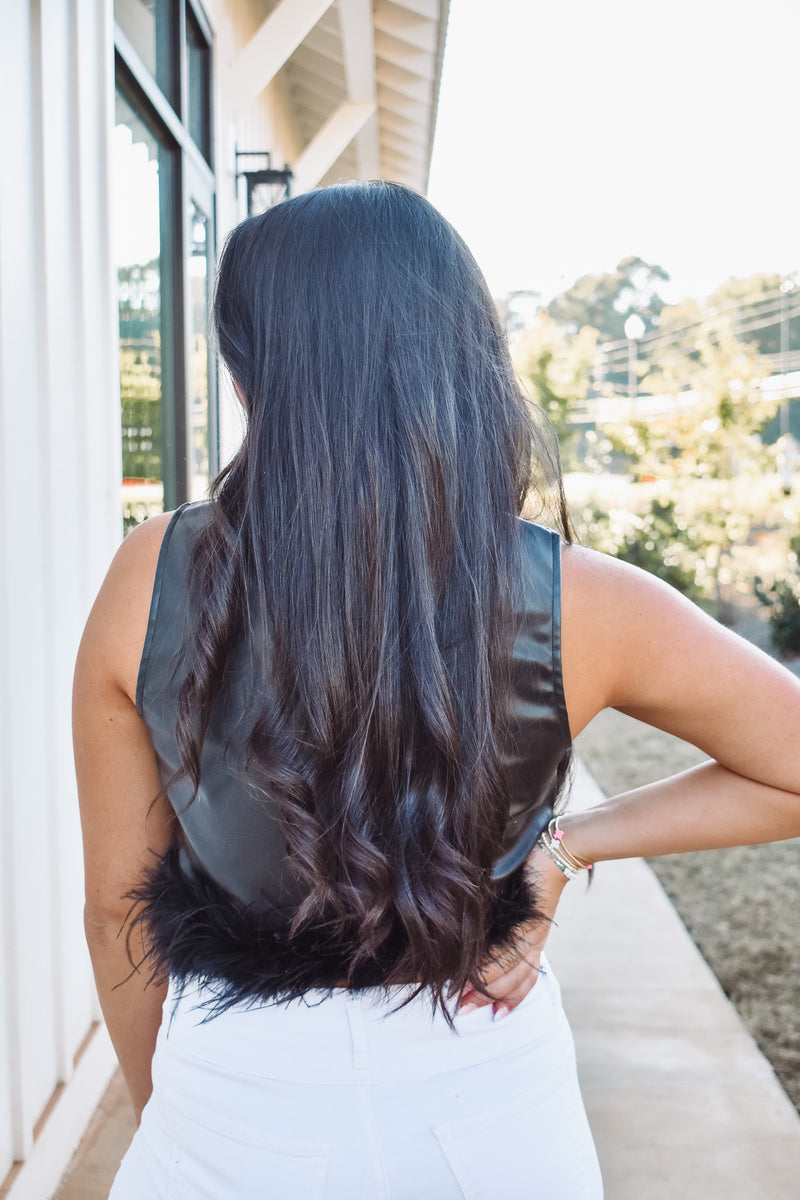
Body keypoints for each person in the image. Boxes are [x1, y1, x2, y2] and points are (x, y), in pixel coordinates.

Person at [74, 181, 800, 1200]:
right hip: (490, 1099)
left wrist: (182, 1111)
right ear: (465, 354)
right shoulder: (575, 596)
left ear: (253, 374)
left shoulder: (149, 577)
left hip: (232, 1088)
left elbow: (115, 909)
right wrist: (564, 847)